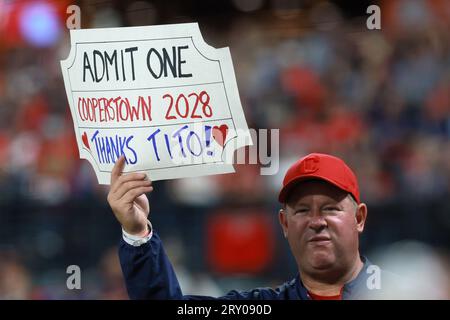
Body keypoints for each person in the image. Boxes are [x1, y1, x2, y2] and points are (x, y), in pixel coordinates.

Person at [107, 153, 394, 299]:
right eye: (303, 210)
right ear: (284, 224)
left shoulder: (403, 291)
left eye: (330, 208)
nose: (316, 221)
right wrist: (138, 234)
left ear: (359, 218)